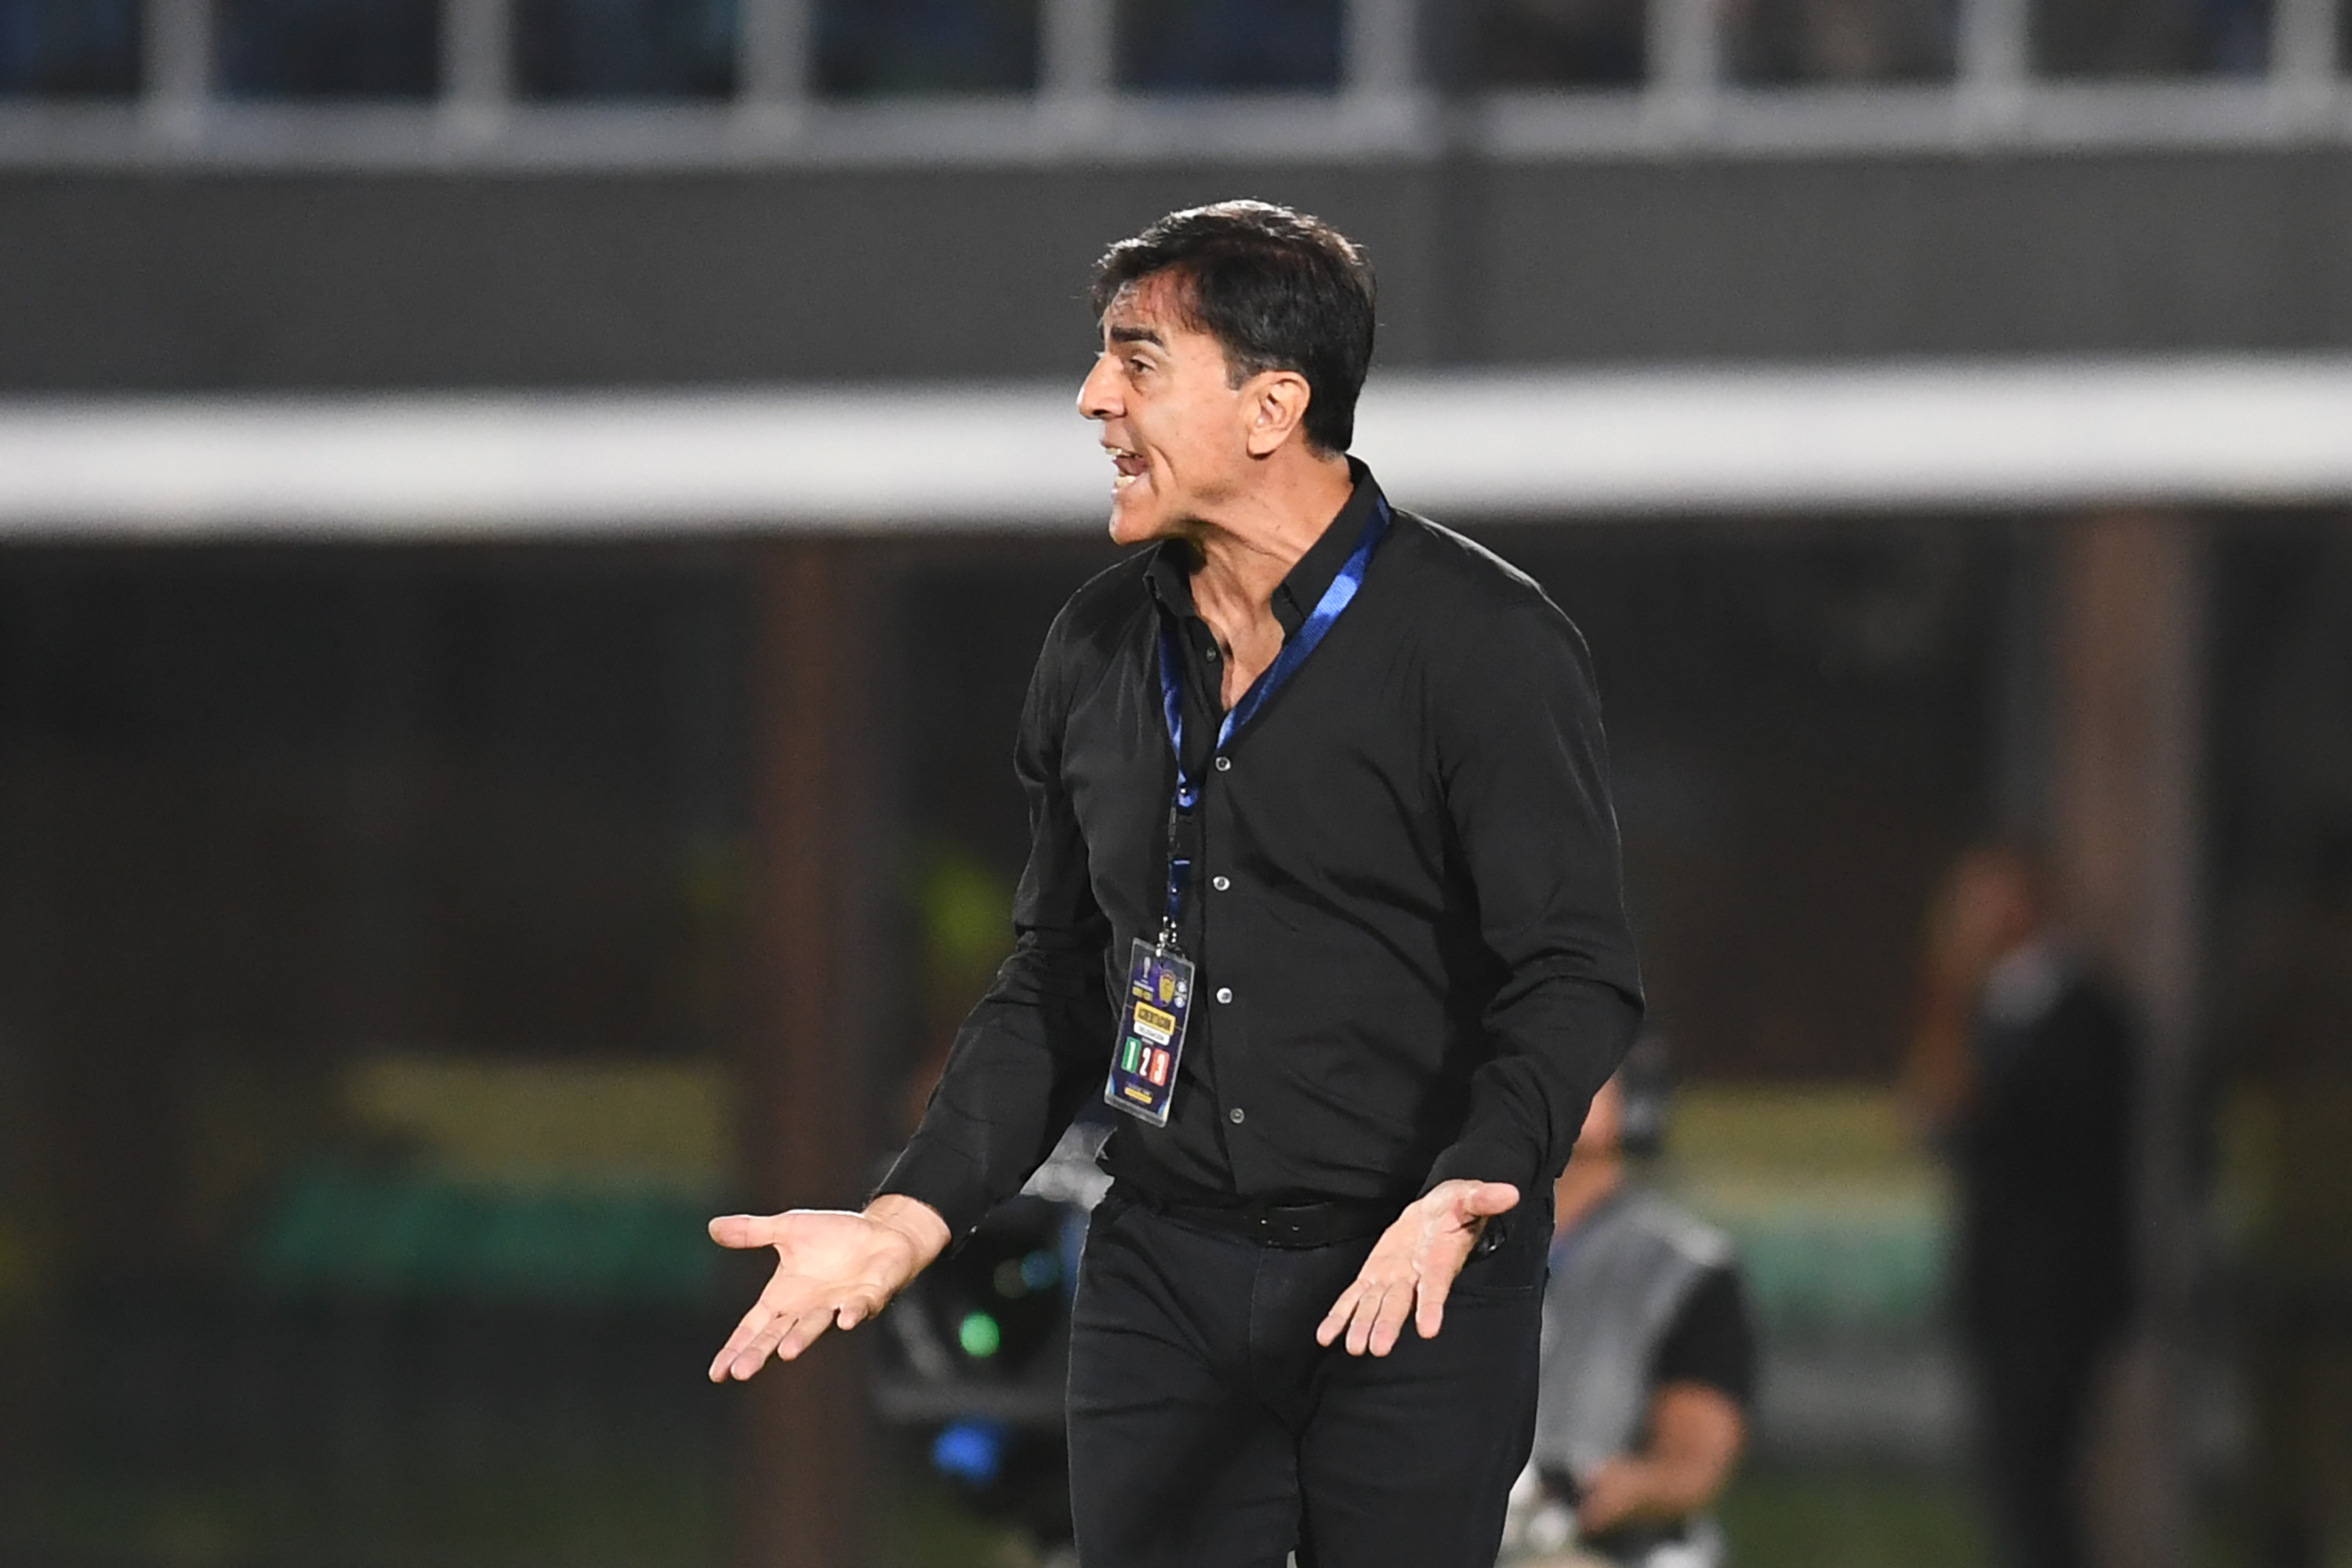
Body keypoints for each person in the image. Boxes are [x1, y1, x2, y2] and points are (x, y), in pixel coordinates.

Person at [704, 199, 1642, 1568]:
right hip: (1161, 1272)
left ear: (1273, 406)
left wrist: (1478, 1183)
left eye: (1137, 362)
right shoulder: (1093, 649)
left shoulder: (1485, 645)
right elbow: (1056, 982)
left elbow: (1573, 971)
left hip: (1411, 1272)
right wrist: (906, 1221)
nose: (1094, 399)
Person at [1905, 841, 2137, 1568]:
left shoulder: (2085, 1014)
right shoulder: (1992, 1009)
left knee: (2038, 1487)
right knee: (2015, 1487)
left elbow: (2039, 1136)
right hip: (2004, 1289)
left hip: (2055, 1295)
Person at [1500, 1047, 1757, 1568]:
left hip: (1614, 1550)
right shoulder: (1444, 1242)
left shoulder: (1683, 1268)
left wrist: (1604, 1489)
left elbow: (1692, 1465)